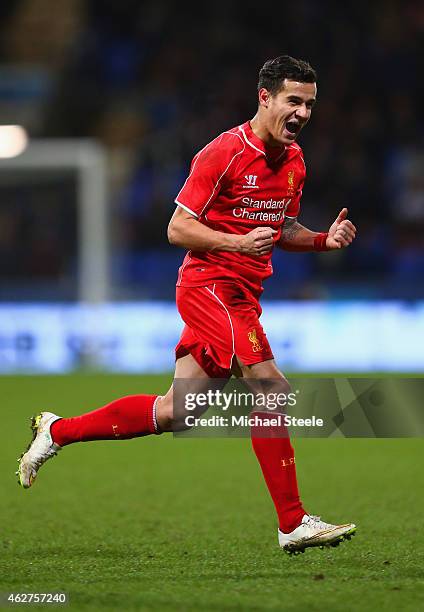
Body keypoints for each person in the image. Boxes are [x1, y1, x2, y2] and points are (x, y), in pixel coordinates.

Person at [17, 55, 357, 554]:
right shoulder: (222, 152)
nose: (303, 113)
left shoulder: (294, 162)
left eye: (309, 103)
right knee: (270, 385)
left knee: (178, 411)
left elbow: (282, 229)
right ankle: (293, 522)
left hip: (244, 293)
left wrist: (324, 240)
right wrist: (237, 244)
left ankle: (57, 431)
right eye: (293, 101)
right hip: (210, 285)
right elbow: (178, 228)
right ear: (265, 98)